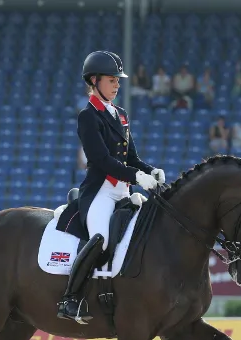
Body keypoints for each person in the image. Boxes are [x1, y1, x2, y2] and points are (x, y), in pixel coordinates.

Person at [56, 50, 165, 324]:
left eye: (118, 80)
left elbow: (133, 158)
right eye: (112, 79)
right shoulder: (88, 116)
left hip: (123, 191)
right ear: (94, 80)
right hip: (100, 193)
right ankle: (70, 299)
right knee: (101, 239)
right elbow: (102, 160)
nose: (117, 84)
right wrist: (138, 177)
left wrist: (150, 170)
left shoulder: (121, 114)